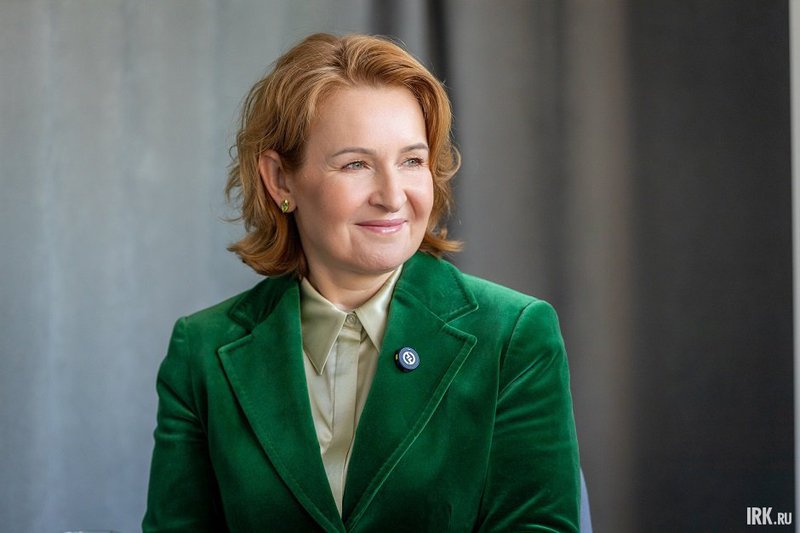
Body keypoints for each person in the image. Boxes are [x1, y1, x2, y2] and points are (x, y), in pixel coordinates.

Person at [143, 32, 580, 532]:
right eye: (356, 164)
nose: (392, 196)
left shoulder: (514, 336)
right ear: (280, 179)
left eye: (411, 161)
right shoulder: (202, 351)